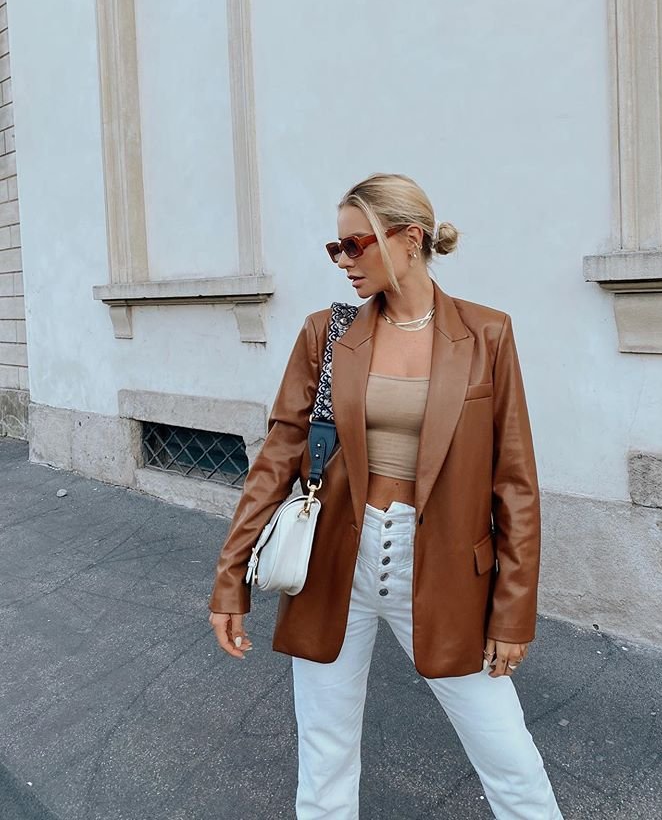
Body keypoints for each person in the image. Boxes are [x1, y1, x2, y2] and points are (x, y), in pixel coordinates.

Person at [209, 173, 564, 819]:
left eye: (355, 244)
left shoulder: (486, 334)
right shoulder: (328, 333)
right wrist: (230, 574)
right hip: (334, 565)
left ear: (409, 238)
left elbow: (515, 481)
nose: (344, 260)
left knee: (509, 757)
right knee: (325, 755)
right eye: (335, 248)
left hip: (449, 571)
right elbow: (279, 456)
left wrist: (514, 612)